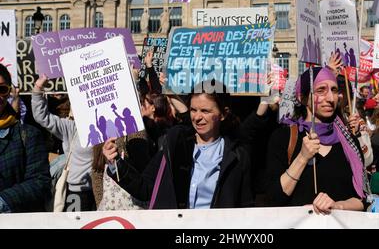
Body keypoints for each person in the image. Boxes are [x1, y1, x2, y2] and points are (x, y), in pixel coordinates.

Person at [103, 81, 253, 209]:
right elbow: (145, 188)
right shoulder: (174, 142)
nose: (197, 117)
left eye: (205, 111)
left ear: (223, 114)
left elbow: (245, 208)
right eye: (193, 110)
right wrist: (115, 163)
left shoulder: (237, 156)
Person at [266, 67, 369, 214]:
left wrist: (337, 206)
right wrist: (302, 157)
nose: (331, 98)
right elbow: (273, 198)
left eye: (334, 90)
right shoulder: (284, 137)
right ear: (302, 97)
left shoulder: (349, 141)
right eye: (321, 90)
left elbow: (362, 199)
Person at [32, 74, 96, 211]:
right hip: (77, 193)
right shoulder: (71, 128)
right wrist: (38, 87)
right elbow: (41, 117)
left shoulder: (111, 126)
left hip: (103, 191)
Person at [0, 64, 50, 213]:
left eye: (1, 89)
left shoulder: (27, 135)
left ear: (9, 92)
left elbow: (40, 183)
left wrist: (3, 202)